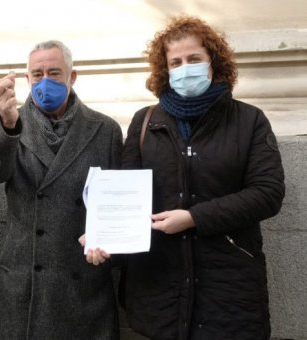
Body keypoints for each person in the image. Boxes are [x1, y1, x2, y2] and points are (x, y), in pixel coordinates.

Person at [87, 16, 285, 340]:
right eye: (175, 62)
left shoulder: (249, 120)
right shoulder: (144, 121)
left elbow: (268, 193)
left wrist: (194, 217)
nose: (184, 68)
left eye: (194, 59)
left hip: (228, 294)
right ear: (165, 69)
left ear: (213, 63)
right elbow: (126, 195)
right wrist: (104, 238)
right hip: (158, 291)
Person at [0, 40, 122, 339]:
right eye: (37, 74)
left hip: (81, 280)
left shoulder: (104, 129)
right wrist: (5, 125)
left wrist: (110, 239)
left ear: (72, 77)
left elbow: (117, 198)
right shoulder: (12, 122)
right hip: (23, 281)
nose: (45, 81)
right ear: (27, 78)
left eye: (55, 73)